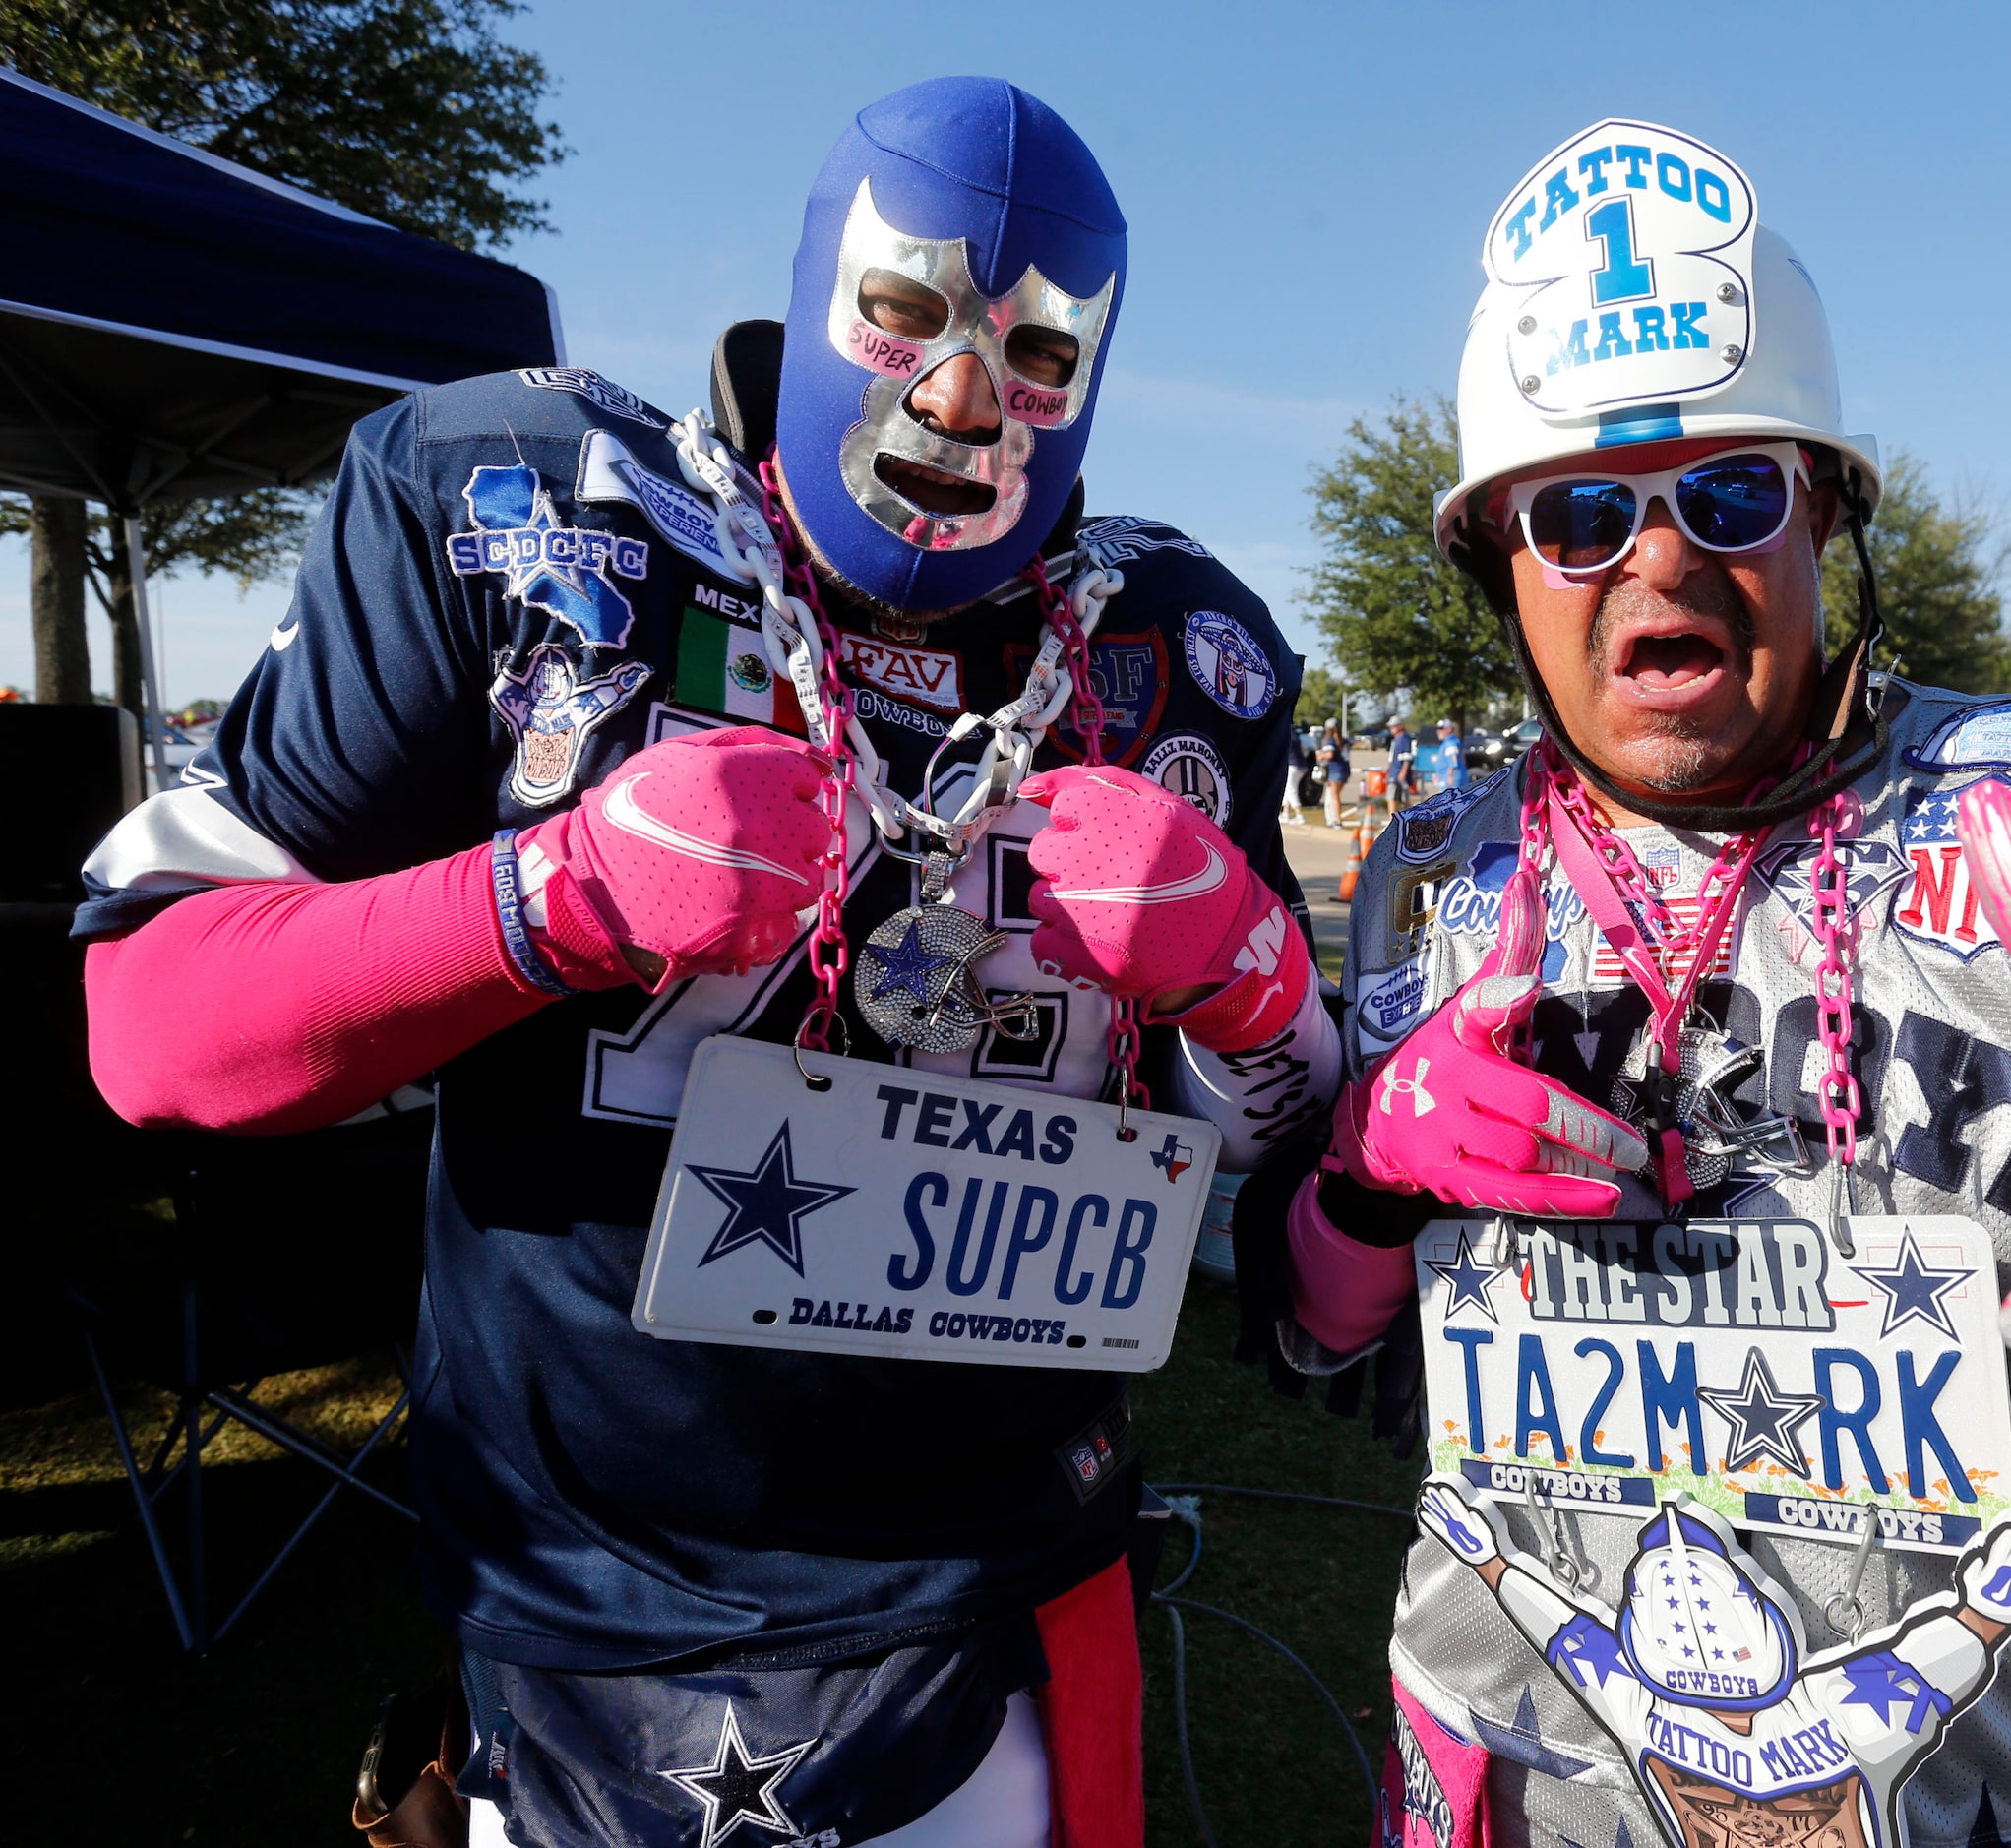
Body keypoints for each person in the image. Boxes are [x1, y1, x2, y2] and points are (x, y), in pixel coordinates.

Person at [77, 79, 1339, 1848]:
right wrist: (547, 897)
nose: (965, 399)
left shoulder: (1173, 645)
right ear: (824, 281)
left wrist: (1249, 977)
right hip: (598, 1604)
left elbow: (1299, 1155)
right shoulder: (520, 501)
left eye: (1041, 353)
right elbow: (151, 1018)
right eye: (906, 311)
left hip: (1007, 1586)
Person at [1250, 117, 2011, 1848]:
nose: (1661, 560)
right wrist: (1357, 1180)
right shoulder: (1432, 872)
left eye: (1731, 492)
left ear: (1825, 512)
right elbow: (1317, 1346)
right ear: (1495, 569)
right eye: (1582, 513)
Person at [1387, 714, 1420, 813]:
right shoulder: (1397, 739)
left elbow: (1407, 757)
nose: (1391, 729)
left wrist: (1403, 772)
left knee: (1393, 798)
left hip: (1398, 773)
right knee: (1401, 799)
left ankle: (1394, 822)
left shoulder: (1404, 738)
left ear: (1400, 726)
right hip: (1395, 772)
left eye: (1394, 726)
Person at [1322, 725, 1351, 827]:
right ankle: (1331, 818)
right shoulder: (1344, 741)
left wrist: (1321, 755)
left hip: (1335, 770)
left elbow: (1330, 754)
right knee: (1333, 796)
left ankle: (1337, 820)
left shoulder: (1330, 741)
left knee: (1334, 796)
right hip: (1345, 770)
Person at [1282, 722, 1310, 826]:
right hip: (1301, 765)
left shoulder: (1286, 736)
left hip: (1292, 765)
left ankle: (1299, 815)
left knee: (1291, 790)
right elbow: (1304, 751)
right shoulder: (1297, 738)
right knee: (1288, 789)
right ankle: (1285, 813)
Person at [1433, 715, 1469, 793]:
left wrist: (1450, 776)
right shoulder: (1450, 742)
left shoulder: (1450, 743)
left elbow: (1453, 761)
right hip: (1447, 778)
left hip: (1451, 779)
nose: (1438, 732)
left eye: (1441, 729)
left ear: (1449, 729)